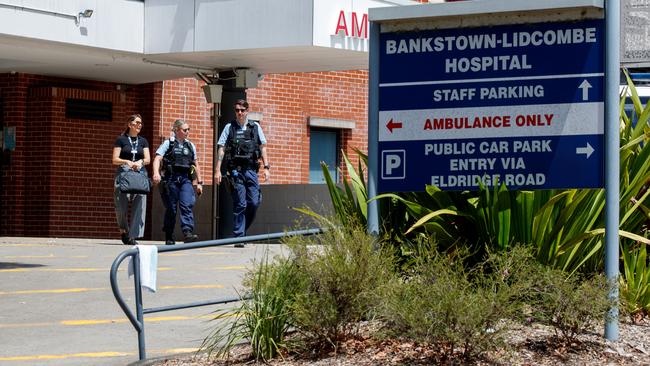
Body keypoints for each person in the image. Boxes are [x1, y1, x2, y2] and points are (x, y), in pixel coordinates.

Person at [215, 99, 269, 246]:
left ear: (247, 111)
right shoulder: (229, 127)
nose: (239, 113)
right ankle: (239, 237)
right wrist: (218, 170)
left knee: (254, 202)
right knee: (240, 204)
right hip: (235, 171)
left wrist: (266, 167)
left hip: (251, 170)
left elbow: (263, 147)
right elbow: (221, 148)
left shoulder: (255, 127)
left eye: (242, 110)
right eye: (237, 110)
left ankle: (243, 230)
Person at [152, 119, 203, 245]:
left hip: (185, 179)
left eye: (188, 129)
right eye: (185, 130)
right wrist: (156, 173)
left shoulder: (190, 145)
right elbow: (157, 158)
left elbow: (195, 164)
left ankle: (187, 232)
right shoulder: (168, 143)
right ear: (177, 130)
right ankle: (169, 234)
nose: (187, 132)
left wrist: (199, 182)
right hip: (171, 179)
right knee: (172, 209)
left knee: (187, 205)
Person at [112, 114, 151, 245]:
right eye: (137, 123)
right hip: (124, 173)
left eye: (141, 123)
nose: (140, 125)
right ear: (130, 125)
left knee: (140, 203)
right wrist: (127, 161)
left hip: (139, 173)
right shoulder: (121, 140)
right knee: (120, 206)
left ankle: (133, 235)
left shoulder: (143, 141)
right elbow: (115, 159)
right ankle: (124, 230)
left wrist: (140, 162)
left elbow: (148, 159)